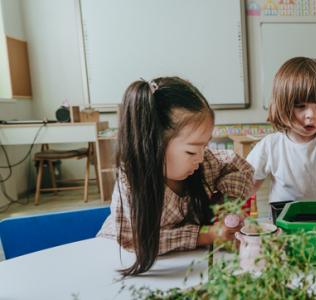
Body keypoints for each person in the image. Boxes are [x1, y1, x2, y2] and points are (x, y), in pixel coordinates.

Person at [98, 77, 254, 276]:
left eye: (204, 147)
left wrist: (227, 204)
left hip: (188, 262)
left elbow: (240, 168)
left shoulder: (203, 162)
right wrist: (206, 235)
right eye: (191, 152)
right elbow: (136, 242)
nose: (200, 158)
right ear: (153, 144)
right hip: (123, 263)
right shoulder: (131, 185)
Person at [246, 57, 316, 204]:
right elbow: (248, 184)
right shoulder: (270, 145)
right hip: (288, 223)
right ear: (282, 105)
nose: (311, 115)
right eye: (301, 106)